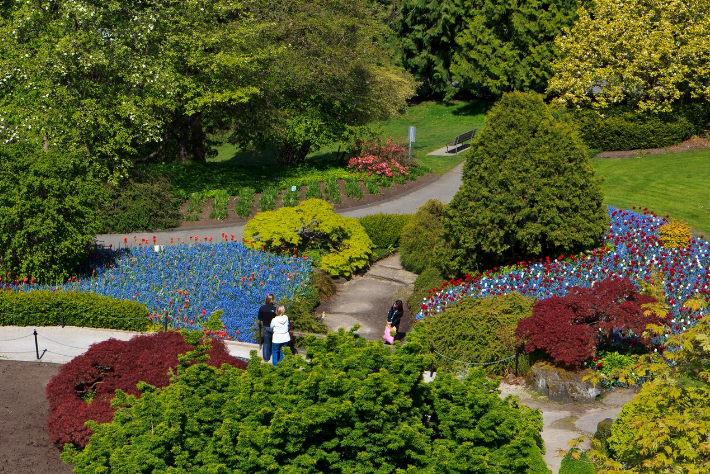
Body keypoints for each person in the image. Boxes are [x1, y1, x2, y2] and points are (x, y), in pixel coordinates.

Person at [258, 294, 277, 362]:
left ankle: (266, 358)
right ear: (272, 300)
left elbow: (260, 318)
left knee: (266, 343)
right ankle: (274, 356)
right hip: (273, 328)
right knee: (274, 342)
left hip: (265, 327)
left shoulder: (262, 308)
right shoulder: (274, 309)